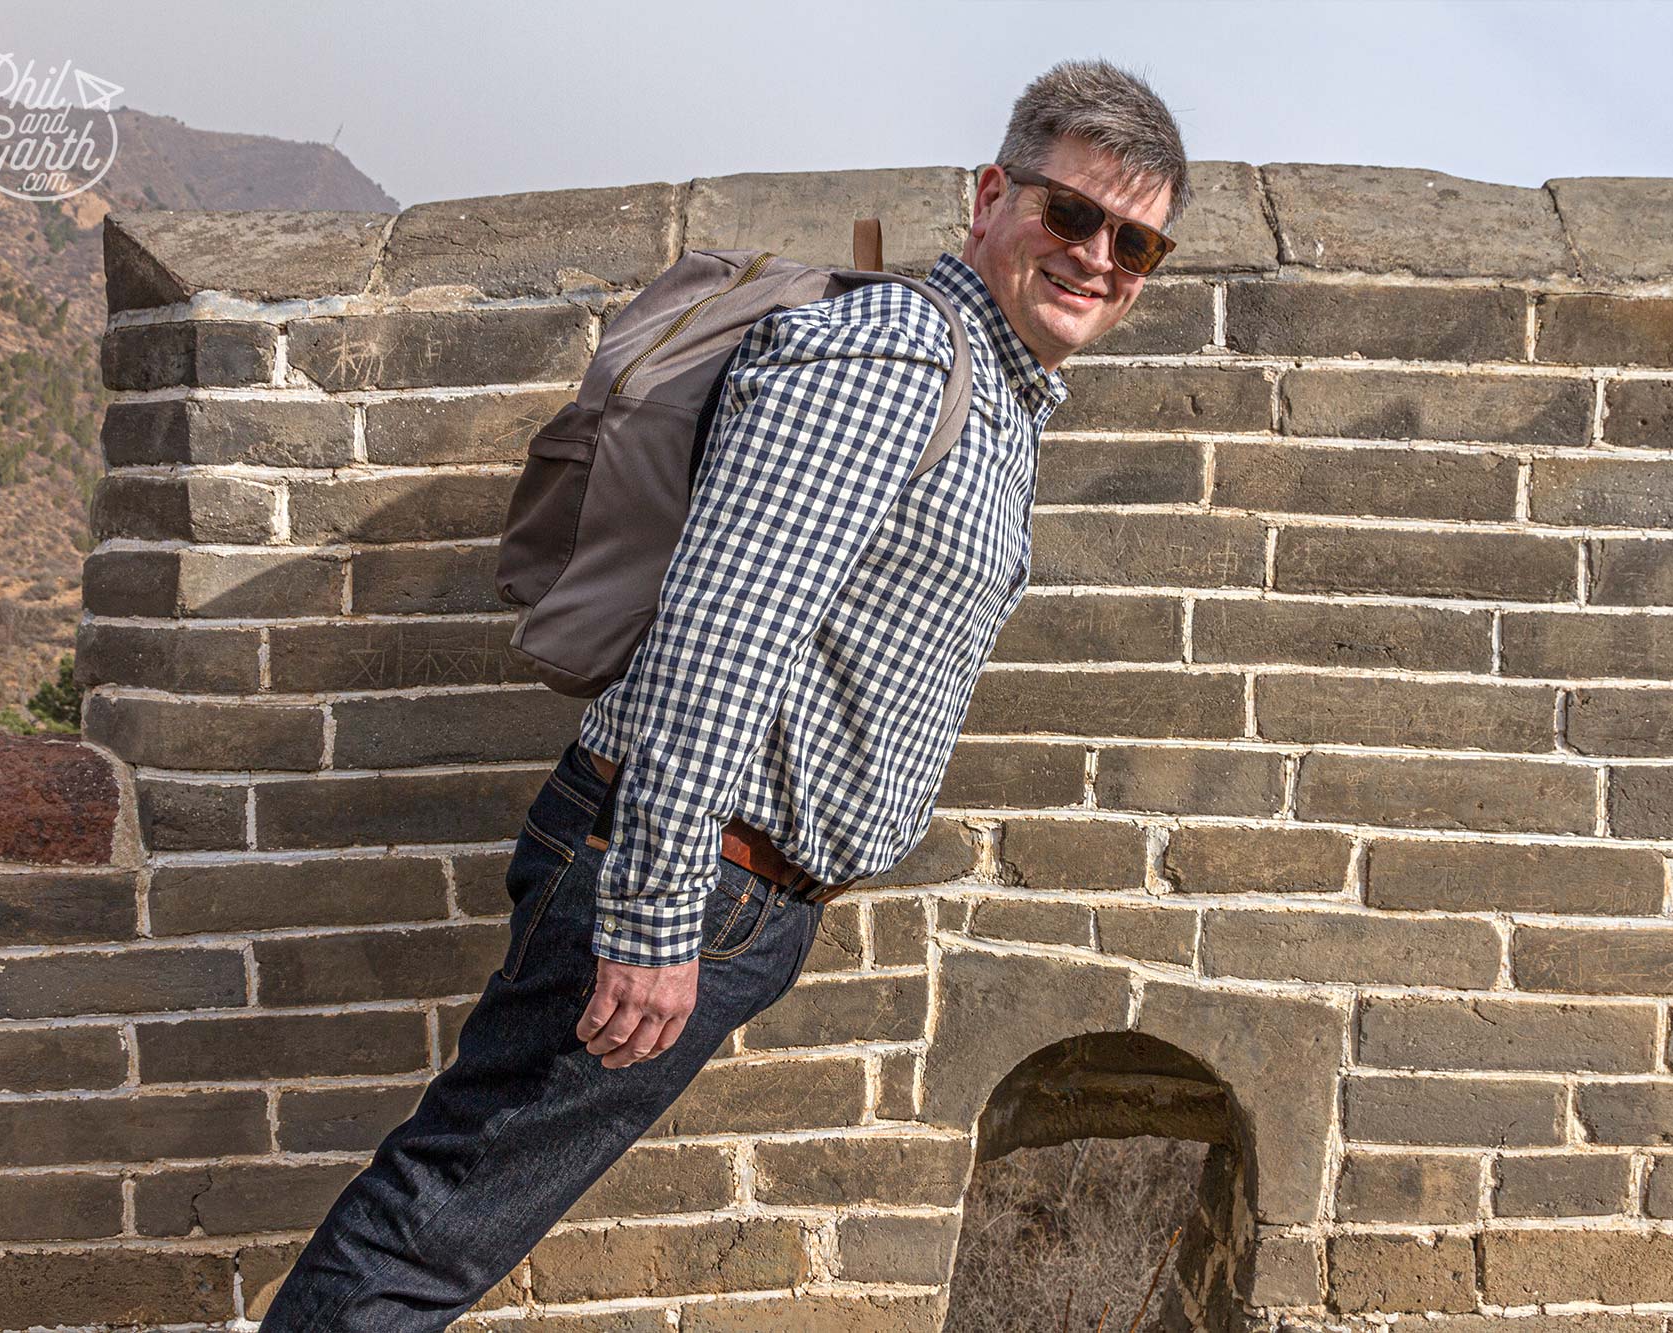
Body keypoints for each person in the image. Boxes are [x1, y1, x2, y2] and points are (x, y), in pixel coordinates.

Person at [260, 55, 1191, 1330]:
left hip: (730, 885)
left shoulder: (1001, 394)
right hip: (686, 875)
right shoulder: (898, 359)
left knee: (454, 1210)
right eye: (1070, 214)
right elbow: (721, 630)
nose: (1097, 258)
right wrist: (653, 915)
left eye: (1135, 244)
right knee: (435, 1223)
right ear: (990, 195)